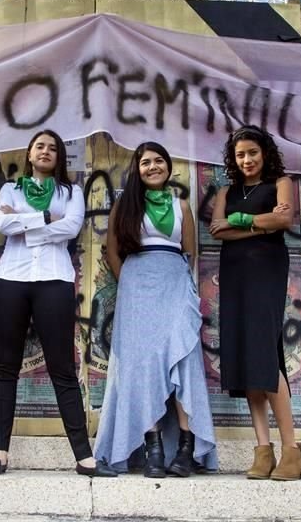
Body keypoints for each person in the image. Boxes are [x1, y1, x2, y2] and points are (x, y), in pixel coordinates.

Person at [0, 129, 116, 478]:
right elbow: (1, 223)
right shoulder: (11, 189)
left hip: (54, 281)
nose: (45, 151)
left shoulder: (70, 192)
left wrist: (22, 223)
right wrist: (44, 218)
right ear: (29, 153)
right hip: (10, 279)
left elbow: (71, 228)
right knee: (5, 367)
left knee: (62, 367)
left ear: (59, 157)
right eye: (39, 146)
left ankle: (85, 458)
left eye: (52, 147)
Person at [94, 141, 217, 478]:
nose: (152, 167)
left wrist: (184, 289)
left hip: (175, 283)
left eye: (159, 161)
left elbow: (190, 253)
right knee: (141, 366)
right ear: (138, 168)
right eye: (145, 162)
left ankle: (186, 448)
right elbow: (113, 251)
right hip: (137, 288)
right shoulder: (125, 204)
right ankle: (153, 449)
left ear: (168, 167)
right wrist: (129, 282)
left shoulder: (181, 206)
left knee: (184, 359)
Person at [208, 125, 301, 480]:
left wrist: (246, 221)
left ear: (264, 153)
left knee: (264, 353)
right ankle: (263, 451)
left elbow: (284, 218)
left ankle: (291, 451)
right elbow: (217, 229)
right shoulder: (226, 191)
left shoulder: (281, 182)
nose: (246, 159)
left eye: (252, 152)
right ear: (233, 160)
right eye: (240, 155)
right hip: (234, 274)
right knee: (245, 354)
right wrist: (261, 225)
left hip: (266, 271)